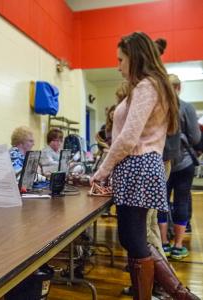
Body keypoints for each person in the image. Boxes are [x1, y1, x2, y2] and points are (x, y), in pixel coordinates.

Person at [91, 32, 198, 299]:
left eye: (120, 59)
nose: (117, 66)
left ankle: (173, 295)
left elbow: (128, 137)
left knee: (135, 238)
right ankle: (180, 294)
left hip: (137, 164)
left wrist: (102, 171)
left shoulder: (147, 87)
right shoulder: (150, 85)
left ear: (134, 58)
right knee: (134, 237)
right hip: (139, 164)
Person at [158, 74, 201, 260]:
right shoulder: (187, 107)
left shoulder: (157, 107)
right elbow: (195, 138)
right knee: (182, 201)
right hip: (184, 163)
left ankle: (163, 244)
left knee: (162, 202)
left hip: (162, 162)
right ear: (179, 87)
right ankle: (177, 246)